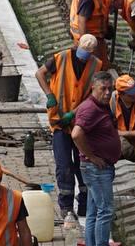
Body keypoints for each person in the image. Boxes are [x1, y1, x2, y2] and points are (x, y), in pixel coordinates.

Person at [35, 34, 102, 221]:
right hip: (59, 121)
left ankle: (85, 204)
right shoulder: (61, 58)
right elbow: (40, 74)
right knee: (64, 164)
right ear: (77, 45)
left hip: (80, 123)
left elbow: (93, 96)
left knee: (82, 164)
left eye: (88, 54)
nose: (84, 57)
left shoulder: (96, 65)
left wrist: (73, 113)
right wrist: (49, 95)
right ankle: (66, 206)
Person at [71, 72, 125, 246]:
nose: (107, 92)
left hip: (98, 168)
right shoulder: (90, 109)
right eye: (103, 88)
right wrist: (92, 156)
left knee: (93, 213)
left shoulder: (101, 106)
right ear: (93, 88)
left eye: (110, 89)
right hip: (96, 169)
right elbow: (76, 134)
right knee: (105, 211)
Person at [70, 0, 120, 64]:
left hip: (96, 37)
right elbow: (82, 22)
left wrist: (105, 26)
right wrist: (86, 46)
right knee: (97, 67)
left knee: (100, 65)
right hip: (90, 39)